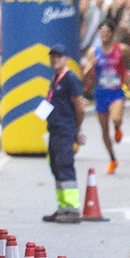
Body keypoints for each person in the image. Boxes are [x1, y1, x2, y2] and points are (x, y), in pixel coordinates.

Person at [40, 44, 87, 223]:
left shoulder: (70, 79)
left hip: (65, 130)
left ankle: (72, 209)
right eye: (52, 56)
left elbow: (79, 107)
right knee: (56, 167)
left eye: (58, 56)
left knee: (65, 166)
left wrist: (76, 129)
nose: (54, 59)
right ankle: (62, 207)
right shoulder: (56, 78)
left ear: (66, 58)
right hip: (55, 129)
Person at [80, 22, 130, 174]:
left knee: (115, 119)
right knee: (104, 130)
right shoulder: (93, 52)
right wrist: (91, 65)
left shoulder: (121, 49)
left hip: (116, 91)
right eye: (101, 32)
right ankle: (112, 159)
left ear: (112, 33)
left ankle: (117, 127)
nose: (104, 35)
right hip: (101, 93)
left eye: (107, 32)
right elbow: (85, 76)